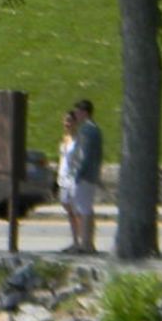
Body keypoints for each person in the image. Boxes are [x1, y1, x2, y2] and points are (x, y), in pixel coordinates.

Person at [68, 99, 102, 254]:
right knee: (87, 208)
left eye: (77, 112)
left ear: (84, 113)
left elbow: (84, 155)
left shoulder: (87, 131)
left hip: (84, 175)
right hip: (91, 174)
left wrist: (78, 174)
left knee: (83, 210)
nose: (75, 115)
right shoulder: (95, 129)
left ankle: (85, 243)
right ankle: (88, 242)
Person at [56, 110, 80, 247]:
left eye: (70, 121)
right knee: (67, 207)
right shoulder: (64, 139)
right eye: (65, 121)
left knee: (75, 210)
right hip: (63, 177)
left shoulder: (78, 140)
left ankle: (80, 240)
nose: (67, 124)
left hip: (73, 178)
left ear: (75, 123)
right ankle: (75, 239)